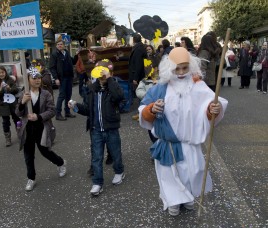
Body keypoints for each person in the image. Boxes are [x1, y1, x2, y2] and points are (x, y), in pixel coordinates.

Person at [138, 47, 228, 216]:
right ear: (169, 67)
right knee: (170, 176)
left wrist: (212, 109)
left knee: (191, 172)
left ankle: (187, 198)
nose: (180, 72)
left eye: (184, 68)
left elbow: (210, 104)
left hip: (189, 143)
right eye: (176, 68)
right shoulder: (160, 88)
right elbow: (143, 108)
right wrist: (151, 109)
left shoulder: (197, 86)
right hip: (169, 144)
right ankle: (173, 200)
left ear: (190, 66)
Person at [68, 59, 125, 196]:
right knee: (97, 157)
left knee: (116, 153)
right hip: (96, 130)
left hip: (111, 128)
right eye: (100, 73)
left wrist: (110, 79)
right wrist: (76, 107)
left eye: (105, 73)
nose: (102, 77)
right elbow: (88, 110)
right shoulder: (92, 90)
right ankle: (97, 182)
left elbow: (119, 97)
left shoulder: (114, 87)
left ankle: (119, 171)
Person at [15, 67, 67, 191]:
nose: (37, 80)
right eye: (34, 78)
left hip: (41, 128)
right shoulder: (23, 94)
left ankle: (60, 163)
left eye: (39, 78)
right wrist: (22, 103)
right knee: (28, 155)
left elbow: (52, 110)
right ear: (28, 80)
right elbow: (18, 113)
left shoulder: (46, 93)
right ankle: (31, 178)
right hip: (27, 129)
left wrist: (38, 116)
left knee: (45, 152)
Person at [49, 39, 77, 120]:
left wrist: (77, 55)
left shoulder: (66, 53)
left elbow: (73, 61)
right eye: (58, 44)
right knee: (62, 96)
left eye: (61, 44)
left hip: (69, 77)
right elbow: (52, 67)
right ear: (56, 46)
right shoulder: (54, 54)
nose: (60, 46)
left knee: (68, 95)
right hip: (62, 78)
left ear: (64, 45)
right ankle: (58, 114)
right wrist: (56, 78)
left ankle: (67, 112)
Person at [0, 65, 20, 147]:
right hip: (3, 104)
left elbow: (16, 89)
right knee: (5, 122)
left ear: (5, 72)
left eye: (2, 72)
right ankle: (8, 138)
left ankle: (20, 134)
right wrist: (0, 89)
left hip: (13, 103)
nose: (1, 74)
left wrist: (9, 88)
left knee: (17, 119)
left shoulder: (10, 79)